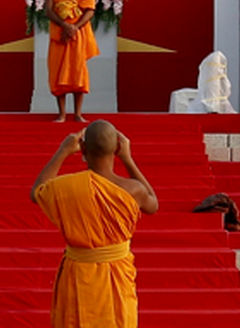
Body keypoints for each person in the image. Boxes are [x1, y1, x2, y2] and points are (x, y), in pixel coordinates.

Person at [32, 120, 159, 328]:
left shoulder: (68, 186)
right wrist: (127, 159)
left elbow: (37, 191)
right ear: (117, 148)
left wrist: (63, 151)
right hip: (117, 273)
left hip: (78, 275)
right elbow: (153, 203)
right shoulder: (133, 189)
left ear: (82, 148)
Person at [45, 0, 99, 122]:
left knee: (77, 71)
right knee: (58, 70)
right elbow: (49, 10)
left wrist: (74, 27)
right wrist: (64, 25)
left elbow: (90, 10)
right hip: (59, 31)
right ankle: (61, 113)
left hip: (78, 33)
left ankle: (77, 113)